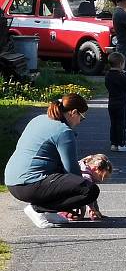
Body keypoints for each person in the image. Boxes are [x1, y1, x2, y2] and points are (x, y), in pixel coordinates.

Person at [5, 93, 100, 228]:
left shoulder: (38, 119)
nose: (80, 122)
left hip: (12, 181)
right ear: (73, 112)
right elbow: (71, 170)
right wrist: (84, 200)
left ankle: (49, 212)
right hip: (30, 184)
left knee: (64, 177)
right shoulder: (64, 132)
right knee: (90, 191)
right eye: (82, 117)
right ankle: (38, 209)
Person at [105, 51, 126, 152]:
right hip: (121, 103)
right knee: (121, 124)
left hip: (111, 103)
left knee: (113, 124)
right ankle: (121, 143)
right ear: (121, 64)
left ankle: (113, 144)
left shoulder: (108, 75)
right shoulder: (121, 76)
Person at [72, 154, 112, 221]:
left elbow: (93, 196)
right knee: (87, 192)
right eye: (102, 177)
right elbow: (88, 194)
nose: (102, 180)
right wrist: (91, 209)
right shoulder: (86, 176)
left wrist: (96, 210)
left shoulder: (86, 166)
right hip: (63, 191)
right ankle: (66, 211)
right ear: (95, 169)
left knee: (92, 190)